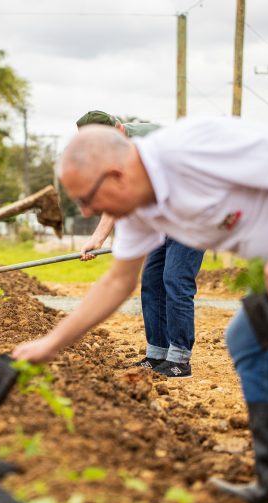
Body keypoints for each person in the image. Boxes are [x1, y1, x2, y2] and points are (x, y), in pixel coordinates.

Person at [12, 117, 268, 503]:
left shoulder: (188, 150)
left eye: (86, 199)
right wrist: (51, 344)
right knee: (248, 339)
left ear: (115, 174)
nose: (89, 212)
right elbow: (116, 282)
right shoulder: (138, 208)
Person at [76, 110, 204, 378]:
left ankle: (180, 359)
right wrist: (98, 238)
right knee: (152, 281)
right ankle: (157, 354)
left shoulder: (154, 142)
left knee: (175, 279)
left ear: (119, 129)